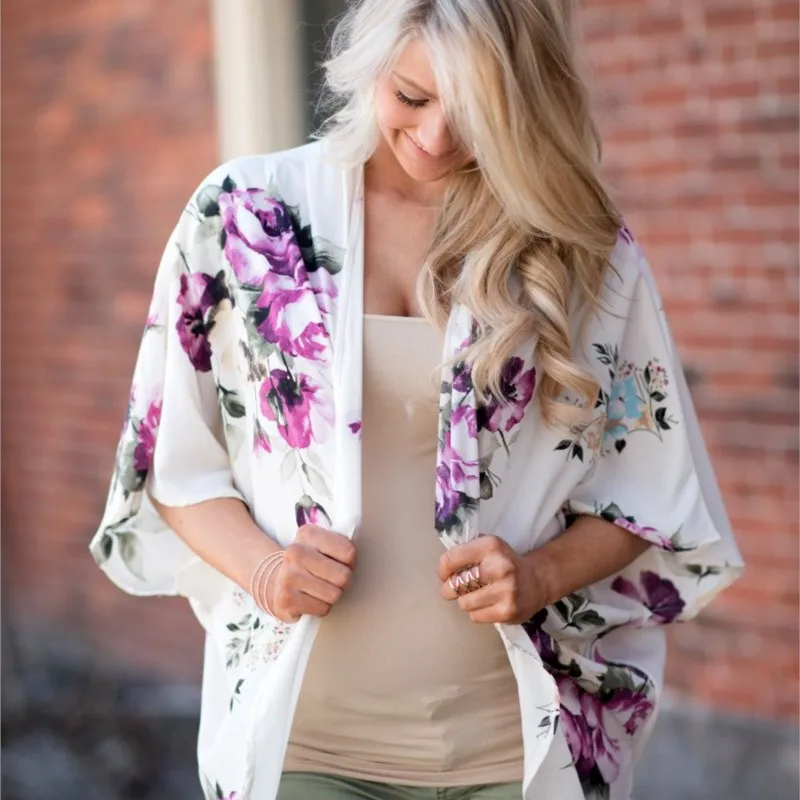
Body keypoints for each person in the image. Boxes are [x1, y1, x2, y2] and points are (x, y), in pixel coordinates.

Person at [90, 1, 743, 798]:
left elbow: (650, 489)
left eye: (474, 112)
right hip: (307, 744)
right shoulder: (244, 214)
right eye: (411, 96)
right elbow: (173, 461)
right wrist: (265, 570)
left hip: (516, 749)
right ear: (368, 67)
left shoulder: (579, 245)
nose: (434, 137)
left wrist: (539, 575)